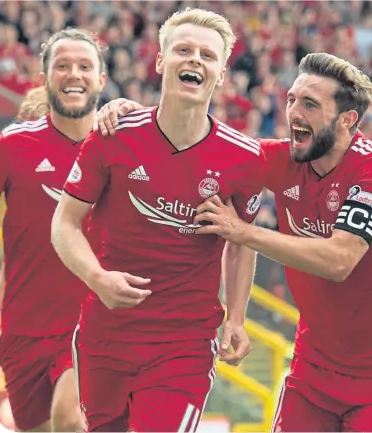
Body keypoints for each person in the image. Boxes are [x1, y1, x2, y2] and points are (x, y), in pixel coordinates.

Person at [95, 53, 372, 432]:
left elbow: (340, 260)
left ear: (347, 120)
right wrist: (138, 119)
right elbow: (204, 149)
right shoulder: (280, 158)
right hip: (313, 370)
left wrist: (244, 232)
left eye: (309, 104)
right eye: (292, 99)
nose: (293, 111)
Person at [51, 8, 266, 433]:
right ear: (160, 61)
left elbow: (241, 241)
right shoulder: (114, 133)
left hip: (183, 344)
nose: (194, 60)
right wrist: (97, 277)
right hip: (104, 335)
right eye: (183, 50)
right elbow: (64, 223)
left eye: (207, 55)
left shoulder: (245, 158)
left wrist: (236, 318)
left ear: (221, 74)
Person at [0, 28, 107, 432]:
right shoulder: (12, 146)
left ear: (101, 79)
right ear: (45, 77)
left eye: (84, 66)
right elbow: (10, 268)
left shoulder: (120, 148)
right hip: (22, 332)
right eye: (62, 65)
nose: (73, 73)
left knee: (71, 420)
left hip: (92, 326)